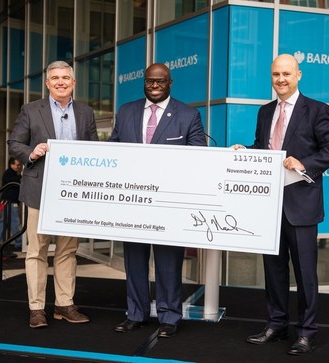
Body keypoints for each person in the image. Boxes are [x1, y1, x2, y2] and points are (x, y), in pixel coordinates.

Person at [233, 54, 329, 355]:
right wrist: (247, 152)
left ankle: (306, 331)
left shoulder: (317, 110)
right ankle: (276, 324)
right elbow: (264, 149)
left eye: (286, 74)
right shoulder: (265, 111)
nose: (280, 79)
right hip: (270, 205)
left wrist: (304, 162)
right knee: (274, 271)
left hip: (301, 205)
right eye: (275, 74)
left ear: (298, 75)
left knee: (305, 273)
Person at [109, 63, 207, 338]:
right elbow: (114, 151)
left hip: (168, 204)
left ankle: (169, 317)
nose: (154, 86)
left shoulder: (188, 115)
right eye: (150, 81)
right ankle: (136, 314)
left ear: (170, 83)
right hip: (133, 201)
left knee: (168, 263)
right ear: (144, 81)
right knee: (135, 261)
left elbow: (199, 155)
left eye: (160, 82)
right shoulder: (126, 111)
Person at [8, 60, 99, 328]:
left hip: (72, 194)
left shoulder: (85, 112)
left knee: (67, 250)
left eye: (65, 77)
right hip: (39, 191)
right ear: (47, 83)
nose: (61, 82)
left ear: (73, 82)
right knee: (36, 251)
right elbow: (14, 143)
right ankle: (37, 308)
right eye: (55, 78)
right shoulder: (31, 110)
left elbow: (94, 149)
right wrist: (31, 153)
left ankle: (64, 304)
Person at [0, 157, 22, 251]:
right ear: (11, 164)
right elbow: (13, 181)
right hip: (10, 201)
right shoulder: (8, 174)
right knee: (15, 222)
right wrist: (21, 176)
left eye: (19, 165)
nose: (18, 167)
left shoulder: (12, 173)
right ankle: (18, 243)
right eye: (17, 165)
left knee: (4, 222)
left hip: (8, 201)